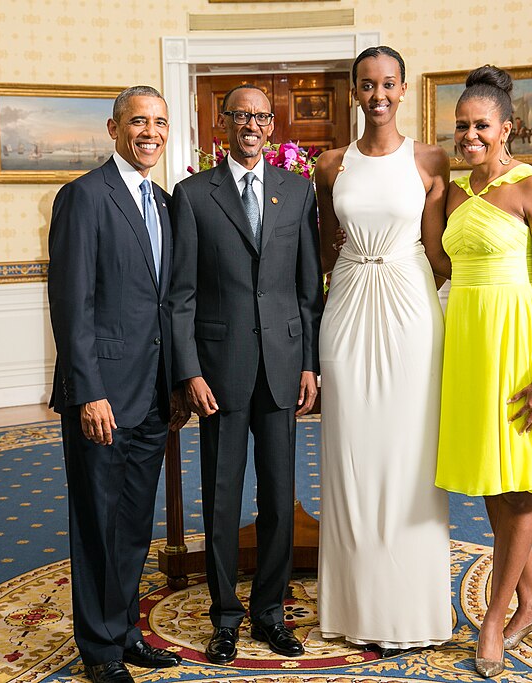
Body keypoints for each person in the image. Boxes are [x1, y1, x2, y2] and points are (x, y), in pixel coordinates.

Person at [433, 65, 532, 679]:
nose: (470, 135)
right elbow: (439, 263)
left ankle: (494, 619)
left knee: (518, 484)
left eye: (481, 126)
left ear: (508, 128)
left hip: (522, 343)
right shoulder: (457, 190)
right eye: (461, 126)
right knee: (493, 479)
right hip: (470, 343)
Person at [169, 84, 323, 664]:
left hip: (283, 367)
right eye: (241, 116)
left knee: (280, 499)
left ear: (271, 126)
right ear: (224, 124)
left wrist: (308, 360)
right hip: (219, 370)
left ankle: (270, 613)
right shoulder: (192, 195)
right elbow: (181, 295)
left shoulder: (297, 189)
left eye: (261, 117)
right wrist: (189, 371)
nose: (251, 125)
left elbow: (309, 291)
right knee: (222, 500)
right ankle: (225, 617)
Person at [313, 46, 453, 655]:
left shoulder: (430, 159)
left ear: (403, 88)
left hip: (410, 314)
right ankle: (352, 605)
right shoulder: (329, 165)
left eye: (389, 84)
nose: (378, 96)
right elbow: (323, 250)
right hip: (345, 309)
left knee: (409, 457)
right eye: (367, 85)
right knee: (350, 456)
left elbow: (440, 256)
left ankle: (410, 607)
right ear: (353, 91)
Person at [47, 85, 188, 683]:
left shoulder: (163, 201)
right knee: (98, 524)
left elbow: (168, 303)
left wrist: (178, 381)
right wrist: (88, 391)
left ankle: (125, 631)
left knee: (134, 521)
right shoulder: (83, 196)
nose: (149, 132)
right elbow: (70, 304)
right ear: (113, 129)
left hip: (153, 392)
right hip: (102, 393)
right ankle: (99, 650)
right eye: (138, 121)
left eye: (158, 122)